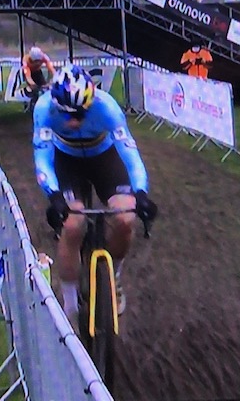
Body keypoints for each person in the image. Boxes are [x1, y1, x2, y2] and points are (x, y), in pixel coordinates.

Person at [33, 64, 158, 325]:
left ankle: (114, 278)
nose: (73, 121)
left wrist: (141, 192)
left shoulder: (107, 107)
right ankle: (69, 308)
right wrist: (54, 195)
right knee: (72, 225)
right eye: (66, 114)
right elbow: (42, 157)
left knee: (125, 219)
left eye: (80, 113)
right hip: (66, 160)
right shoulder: (44, 108)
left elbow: (130, 153)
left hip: (104, 157)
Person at [22, 46, 56, 112]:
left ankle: (46, 104)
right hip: (29, 72)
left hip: (37, 72)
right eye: (36, 61)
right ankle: (31, 105)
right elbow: (28, 77)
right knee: (33, 89)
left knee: (44, 87)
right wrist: (33, 84)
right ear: (32, 59)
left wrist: (55, 77)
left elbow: (51, 69)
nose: (38, 62)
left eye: (39, 61)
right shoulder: (26, 60)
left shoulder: (44, 57)